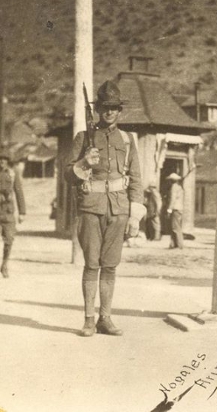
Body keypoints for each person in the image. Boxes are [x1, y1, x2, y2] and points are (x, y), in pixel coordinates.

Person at [65, 80, 145, 337]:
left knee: (110, 266)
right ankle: (89, 319)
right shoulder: (83, 137)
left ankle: (105, 318)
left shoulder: (128, 140)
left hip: (119, 210)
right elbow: (68, 174)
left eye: (114, 108)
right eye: (105, 107)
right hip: (91, 207)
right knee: (92, 264)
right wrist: (84, 162)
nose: (109, 112)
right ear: (98, 109)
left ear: (120, 111)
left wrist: (135, 216)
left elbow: (136, 179)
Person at [0, 150, 26, 278]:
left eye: (4, 159)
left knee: (9, 239)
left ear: (8, 161)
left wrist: (22, 212)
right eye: (0, 159)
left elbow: (19, 191)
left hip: (8, 212)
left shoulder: (13, 173)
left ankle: (4, 264)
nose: (2, 162)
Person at [166, 172, 184, 249]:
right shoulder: (179, 187)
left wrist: (169, 209)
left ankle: (179, 245)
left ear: (171, 181)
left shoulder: (173, 187)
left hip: (175, 208)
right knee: (177, 226)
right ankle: (174, 244)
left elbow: (173, 199)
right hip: (180, 208)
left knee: (175, 227)